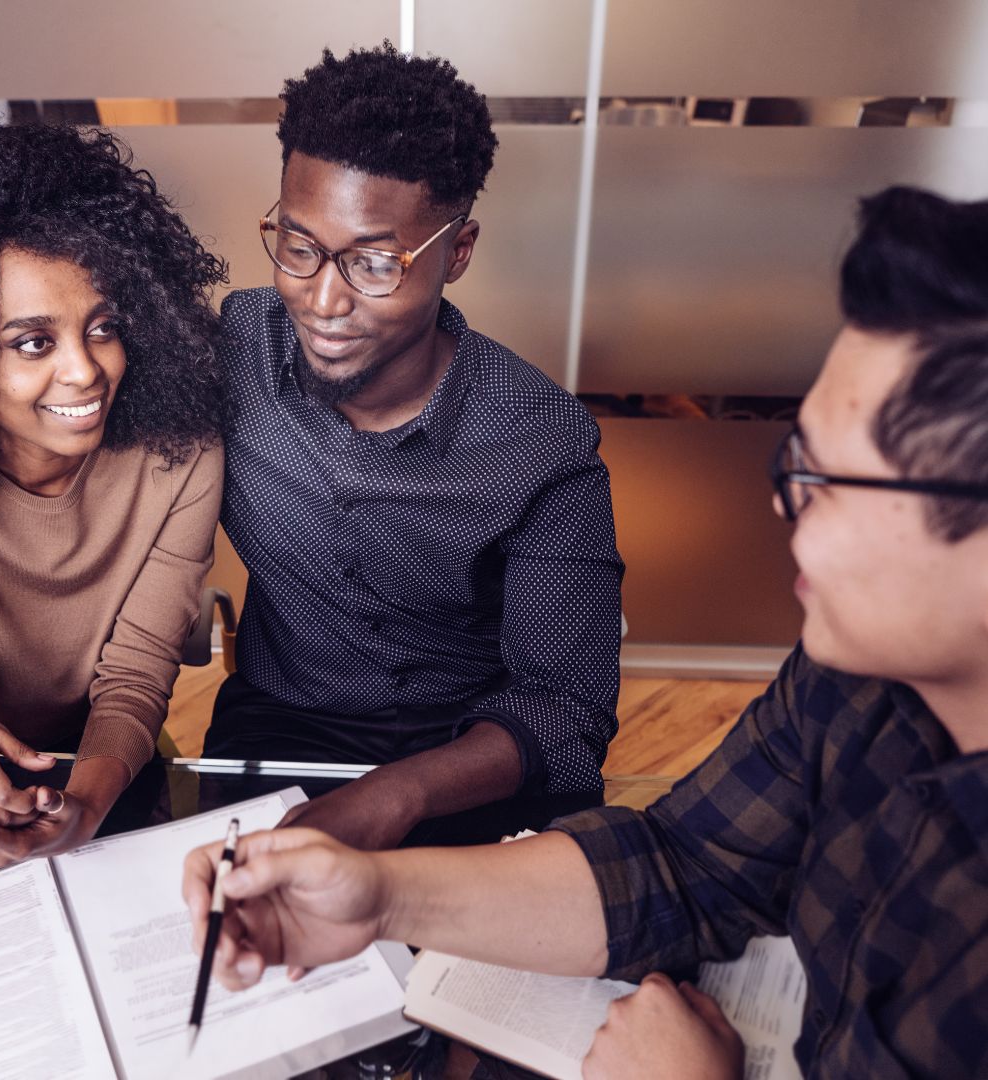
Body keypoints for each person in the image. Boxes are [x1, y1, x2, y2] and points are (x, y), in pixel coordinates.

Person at [184, 185, 988, 1078]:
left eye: (832, 480)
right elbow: (685, 862)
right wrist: (374, 900)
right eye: (792, 457)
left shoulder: (536, 439)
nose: (781, 502)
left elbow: (563, 716)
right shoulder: (851, 684)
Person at [204, 43, 624, 849]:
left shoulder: (542, 439)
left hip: (469, 746)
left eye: (373, 263)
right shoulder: (230, 353)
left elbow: (563, 700)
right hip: (282, 721)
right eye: (298, 246)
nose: (323, 300)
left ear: (456, 254)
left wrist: (398, 796)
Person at [0, 124, 228, 868]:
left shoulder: (179, 452)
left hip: (98, 752)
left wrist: (78, 811)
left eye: (104, 328)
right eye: (33, 342)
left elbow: (137, 672)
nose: (86, 372)